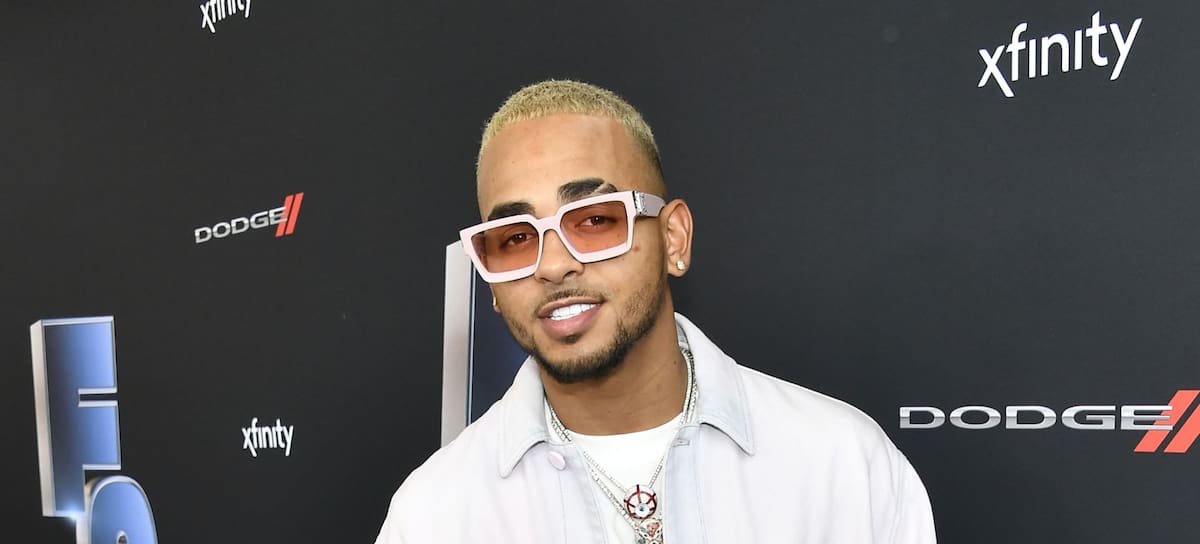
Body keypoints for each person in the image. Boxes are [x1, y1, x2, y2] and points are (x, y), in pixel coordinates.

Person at [374, 79, 936, 543]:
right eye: (516, 238)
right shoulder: (433, 517)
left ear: (673, 238)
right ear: (491, 281)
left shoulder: (843, 467)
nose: (554, 264)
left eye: (595, 220)